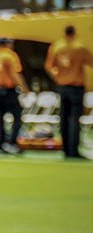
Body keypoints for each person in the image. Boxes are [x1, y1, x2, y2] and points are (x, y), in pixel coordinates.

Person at [45, 24, 92, 159]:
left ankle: (65, 149)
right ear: (74, 33)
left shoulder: (56, 47)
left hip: (62, 86)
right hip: (76, 86)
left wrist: (57, 76)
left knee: (64, 117)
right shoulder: (79, 47)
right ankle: (73, 150)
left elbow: (49, 67)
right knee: (74, 119)